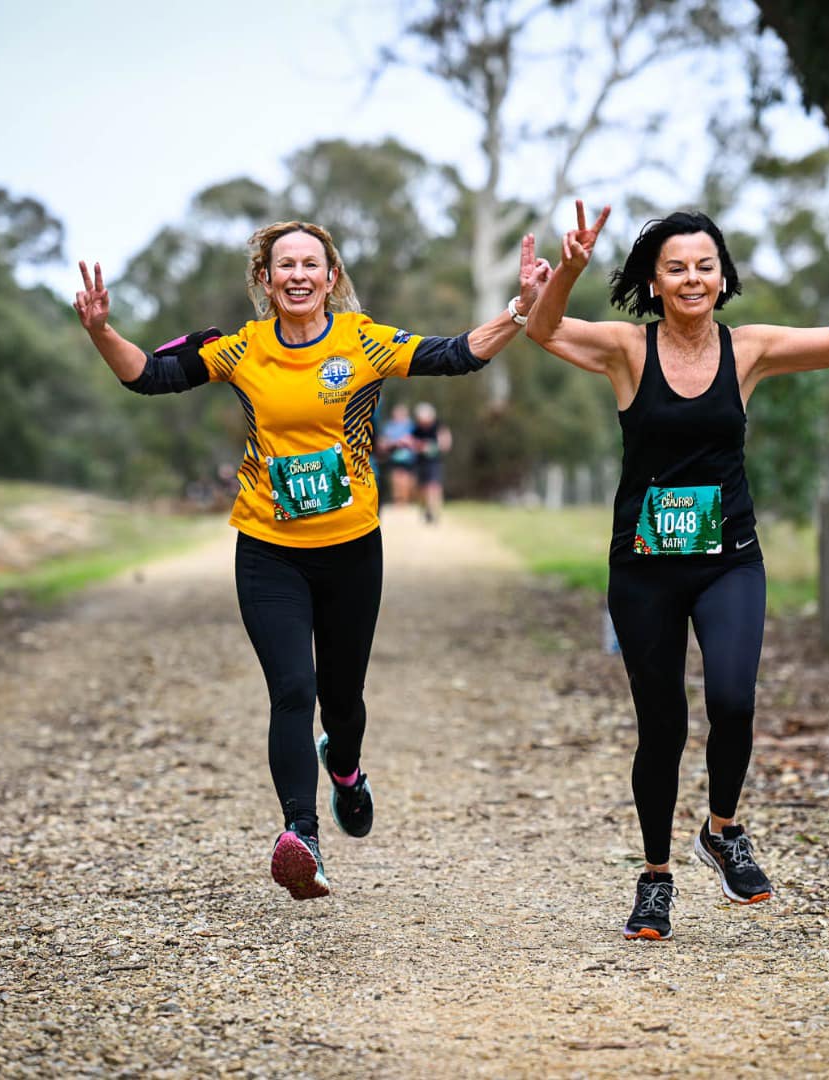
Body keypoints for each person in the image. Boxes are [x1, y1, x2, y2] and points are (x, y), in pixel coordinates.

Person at [74, 222, 551, 901]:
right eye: (283, 265)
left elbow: (455, 355)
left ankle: (346, 768)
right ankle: (303, 837)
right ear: (265, 280)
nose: (297, 275)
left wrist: (518, 310)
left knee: (342, 698)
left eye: (311, 264)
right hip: (269, 550)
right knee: (293, 690)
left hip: (352, 548)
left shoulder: (365, 341)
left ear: (331, 277)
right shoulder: (239, 347)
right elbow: (150, 375)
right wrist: (100, 331)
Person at [526, 201, 829, 941]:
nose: (692, 278)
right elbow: (543, 329)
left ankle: (722, 830)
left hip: (730, 563)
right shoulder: (627, 349)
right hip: (646, 570)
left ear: (723, 277)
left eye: (705, 266)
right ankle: (655, 877)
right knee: (662, 728)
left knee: (734, 700)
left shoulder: (747, 350)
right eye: (676, 268)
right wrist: (570, 272)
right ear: (654, 283)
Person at [411, 401, 452, 523]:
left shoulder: (439, 427)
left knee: (434, 487)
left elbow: (445, 444)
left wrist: (431, 447)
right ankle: (426, 511)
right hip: (421, 462)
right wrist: (419, 447)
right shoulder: (416, 429)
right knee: (423, 488)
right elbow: (412, 443)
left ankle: (436, 512)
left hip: (435, 462)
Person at [376, 402, 418, 505]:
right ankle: (398, 501)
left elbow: (416, 439)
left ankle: (406, 499)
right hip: (395, 457)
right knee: (396, 479)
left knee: (407, 479)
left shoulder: (411, 426)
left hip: (409, 457)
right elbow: (384, 440)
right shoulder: (390, 426)